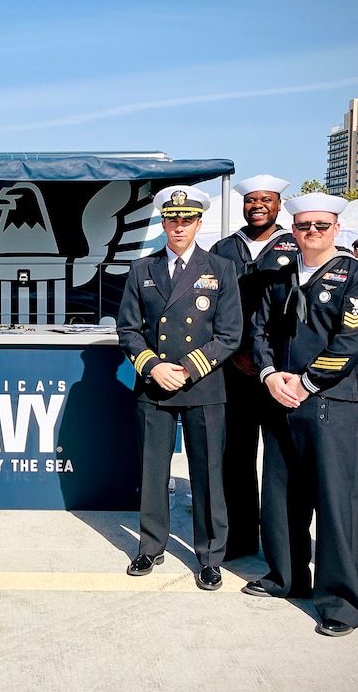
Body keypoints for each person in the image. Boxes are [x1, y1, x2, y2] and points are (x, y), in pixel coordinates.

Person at [244, 193, 358, 637]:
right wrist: (268, 376)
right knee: (281, 496)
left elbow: (352, 342)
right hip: (280, 398)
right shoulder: (280, 276)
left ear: (336, 229)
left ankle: (342, 602)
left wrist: (304, 383)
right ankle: (287, 577)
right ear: (293, 229)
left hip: (327, 403)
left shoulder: (355, 276)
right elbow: (259, 330)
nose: (312, 233)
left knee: (336, 503)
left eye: (321, 226)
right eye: (303, 226)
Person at [117, 185, 241, 590]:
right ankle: (150, 546)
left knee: (208, 474)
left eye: (187, 219)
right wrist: (153, 367)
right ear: (163, 222)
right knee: (153, 473)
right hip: (155, 386)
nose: (179, 226)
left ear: (199, 223)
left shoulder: (220, 268)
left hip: (202, 385)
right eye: (172, 219)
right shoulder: (142, 269)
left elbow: (229, 334)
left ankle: (209, 556)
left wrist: (186, 369)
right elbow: (129, 330)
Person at [210, 174, 298, 560]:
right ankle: (239, 537)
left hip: (282, 371)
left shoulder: (296, 245)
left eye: (266, 199)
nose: (257, 205)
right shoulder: (224, 248)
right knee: (235, 457)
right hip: (233, 369)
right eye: (250, 200)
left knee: (282, 463)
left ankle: (282, 545)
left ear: (279, 203)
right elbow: (209, 308)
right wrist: (232, 353)